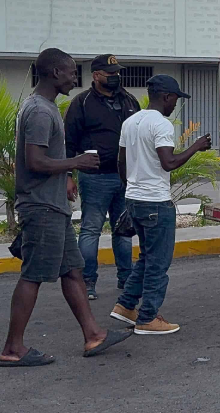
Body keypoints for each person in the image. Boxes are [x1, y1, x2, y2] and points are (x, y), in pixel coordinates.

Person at [0, 48, 130, 367]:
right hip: (41, 207)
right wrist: (77, 162)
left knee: (72, 270)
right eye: (71, 72)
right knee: (32, 275)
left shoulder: (45, 106)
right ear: (55, 73)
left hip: (53, 206)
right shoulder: (41, 111)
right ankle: (13, 349)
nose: (75, 77)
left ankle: (93, 334)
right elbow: (35, 160)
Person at [109, 75, 211, 335]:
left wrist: (131, 186)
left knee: (146, 257)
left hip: (134, 199)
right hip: (155, 201)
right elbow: (170, 163)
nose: (176, 104)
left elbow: (121, 162)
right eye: (175, 99)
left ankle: (126, 305)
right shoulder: (161, 125)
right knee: (158, 263)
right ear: (166, 97)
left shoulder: (130, 122)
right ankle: (148, 318)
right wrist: (196, 147)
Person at [64, 53, 140, 300]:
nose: (115, 77)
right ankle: (88, 282)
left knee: (124, 230)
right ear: (96, 76)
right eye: (110, 74)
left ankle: (126, 279)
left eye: (117, 73)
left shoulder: (129, 100)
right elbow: (69, 142)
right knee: (90, 230)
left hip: (125, 178)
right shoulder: (82, 103)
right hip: (94, 178)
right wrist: (68, 175)